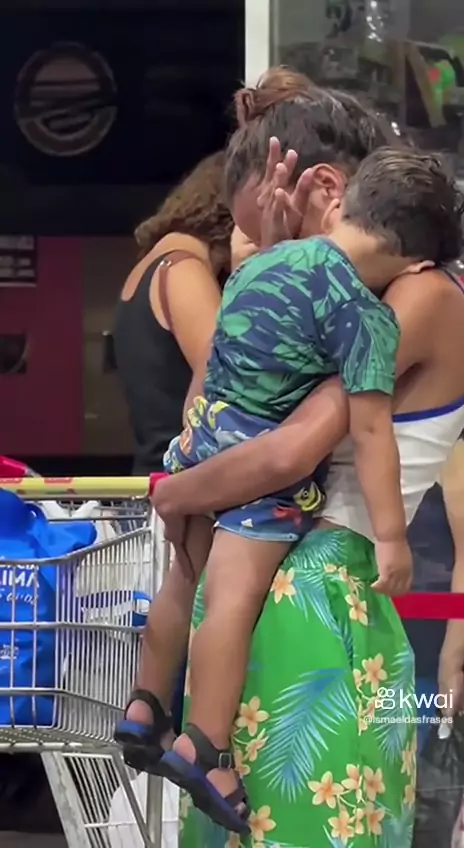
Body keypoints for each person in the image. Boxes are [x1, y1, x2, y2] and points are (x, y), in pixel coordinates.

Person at [149, 85, 464, 846]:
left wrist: (177, 492)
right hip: (278, 600)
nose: (274, 254)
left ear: (327, 191)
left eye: (271, 227)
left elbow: (288, 450)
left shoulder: (419, 295)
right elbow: (213, 406)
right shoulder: (339, 296)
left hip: (319, 600)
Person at [114, 151, 233, 475]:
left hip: (154, 475)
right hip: (184, 482)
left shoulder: (150, 267)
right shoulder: (184, 270)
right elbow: (224, 383)